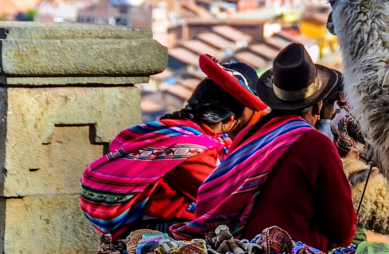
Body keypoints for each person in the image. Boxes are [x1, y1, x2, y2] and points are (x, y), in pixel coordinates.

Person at [172, 44, 356, 251]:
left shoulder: (246, 138)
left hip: (241, 253)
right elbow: (343, 229)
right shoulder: (315, 143)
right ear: (317, 106)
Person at [80, 55, 269, 240]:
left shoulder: (174, 133)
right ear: (230, 119)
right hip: (164, 234)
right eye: (241, 119)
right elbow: (223, 195)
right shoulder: (196, 151)